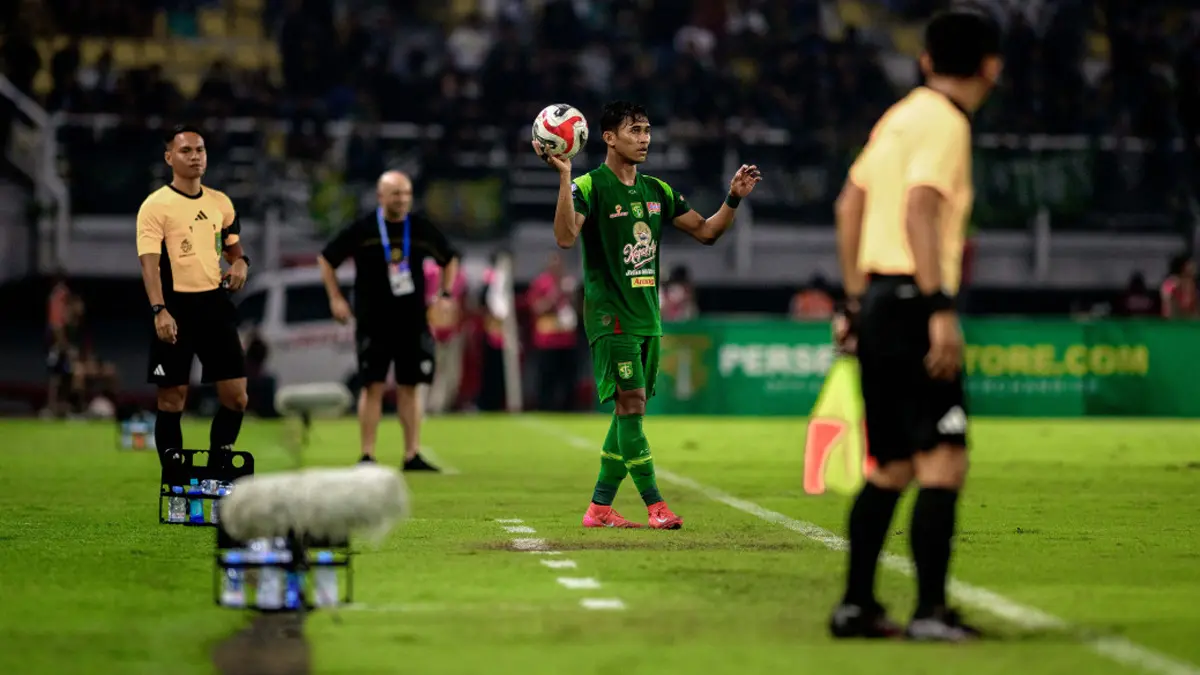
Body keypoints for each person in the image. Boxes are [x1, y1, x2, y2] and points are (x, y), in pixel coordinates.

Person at [827, 8, 1003, 642]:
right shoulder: (947, 123)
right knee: (944, 458)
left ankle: (855, 606)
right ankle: (930, 612)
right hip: (913, 302)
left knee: (893, 464)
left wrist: (852, 303)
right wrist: (940, 309)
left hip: (876, 298)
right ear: (992, 66)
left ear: (926, 60)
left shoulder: (898, 118)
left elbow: (850, 204)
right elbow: (921, 207)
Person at [534, 100, 761, 529]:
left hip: (646, 317)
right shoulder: (589, 186)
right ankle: (656, 505)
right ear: (608, 137)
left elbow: (708, 231)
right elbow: (565, 237)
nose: (644, 139)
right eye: (634, 130)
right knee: (633, 403)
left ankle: (599, 508)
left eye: (647, 130)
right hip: (610, 316)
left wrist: (733, 197)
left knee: (627, 412)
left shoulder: (657, 190)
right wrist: (564, 178)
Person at [317, 170, 461, 471]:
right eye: (396, 193)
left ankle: (412, 454)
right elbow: (327, 258)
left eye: (407, 193)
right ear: (381, 196)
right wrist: (335, 298)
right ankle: (367, 454)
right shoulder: (365, 227)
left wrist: (445, 295)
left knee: (410, 387)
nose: (403, 199)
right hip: (373, 321)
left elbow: (449, 257)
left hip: (412, 321)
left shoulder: (419, 227)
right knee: (373, 386)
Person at [136, 124, 251, 467]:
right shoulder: (156, 206)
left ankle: (218, 467)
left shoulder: (220, 203)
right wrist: (159, 310)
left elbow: (232, 249)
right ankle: (174, 477)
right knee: (173, 401)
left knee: (237, 398)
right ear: (169, 157)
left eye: (200, 150)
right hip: (175, 306)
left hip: (214, 304)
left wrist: (242, 263)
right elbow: (150, 266)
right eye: (186, 151)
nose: (195, 156)